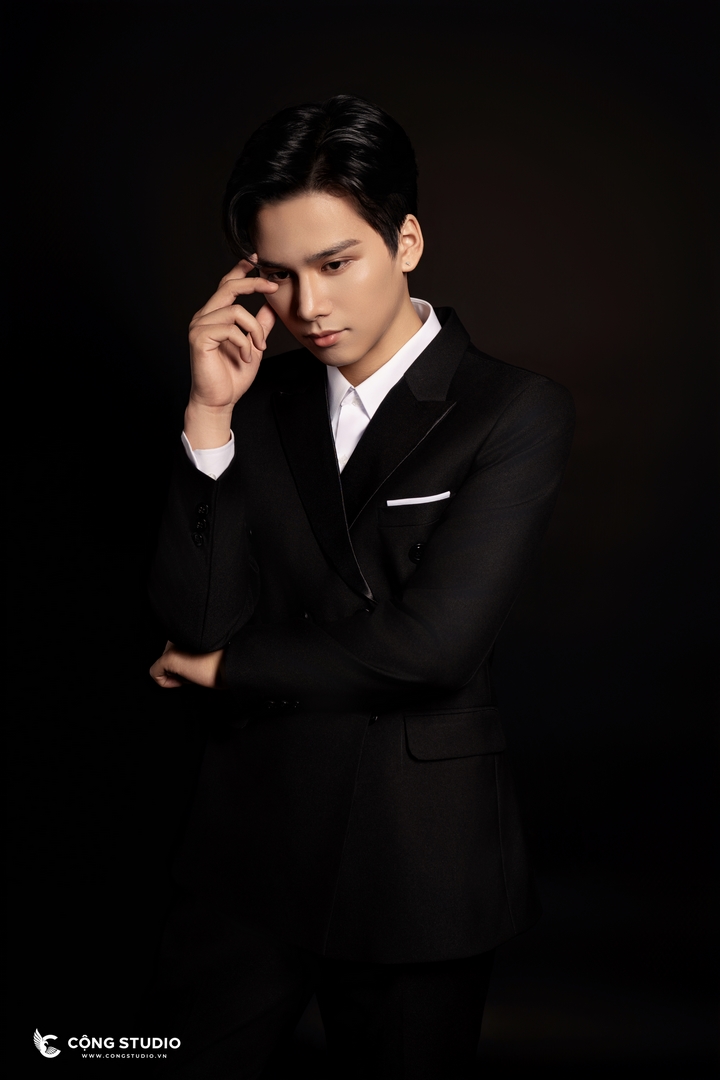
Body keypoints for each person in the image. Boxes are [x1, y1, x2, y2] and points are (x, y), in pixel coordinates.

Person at [148, 94, 575, 1079]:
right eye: (279, 274)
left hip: (416, 855)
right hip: (248, 844)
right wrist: (208, 420)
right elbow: (196, 617)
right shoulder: (257, 396)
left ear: (407, 241)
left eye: (336, 264)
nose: (309, 308)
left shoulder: (512, 410)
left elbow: (435, 648)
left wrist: (227, 670)